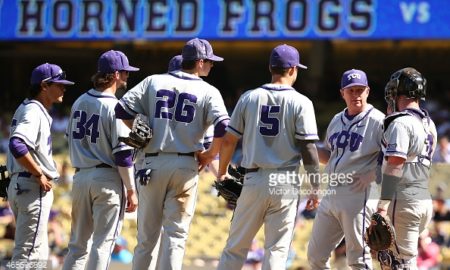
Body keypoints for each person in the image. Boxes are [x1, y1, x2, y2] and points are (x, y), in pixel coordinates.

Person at [114, 38, 229, 270]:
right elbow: (224, 126)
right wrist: (210, 154)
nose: (211, 65)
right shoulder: (209, 91)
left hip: (151, 163)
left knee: (146, 239)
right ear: (199, 62)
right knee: (175, 237)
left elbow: (121, 109)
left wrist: (140, 127)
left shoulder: (153, 81)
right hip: (185, 165)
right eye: (208, 61)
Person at [216, 44, 320, 270]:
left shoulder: (249, 97)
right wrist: (315, 185)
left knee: (235, 248)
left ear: (270, 67)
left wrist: (222, 171)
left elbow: (228, 140)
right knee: (277, 251)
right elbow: (309, 149)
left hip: (253, 179)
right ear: (293, 69)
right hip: (285, 182)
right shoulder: (302, 102)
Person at [62, 50, 139, 270]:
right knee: (102, 244)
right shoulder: (114, 107)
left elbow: (70, 138)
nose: (127, 76)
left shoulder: (78, 101)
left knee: (77, 245)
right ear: (115, 74)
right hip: (106, 178)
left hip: (80, 177)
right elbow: (123, 154)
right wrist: (131, 190)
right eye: (124, 72)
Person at [307, 69, 385, 269]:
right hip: (331, 193)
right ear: (342, 93)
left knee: (358, 259)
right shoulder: (335, 120)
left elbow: (395, 158)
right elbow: (328, 155)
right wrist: (307, 149)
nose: (356, 95)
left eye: (360, 90)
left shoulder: (379, 121)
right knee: (315, 256)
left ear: (367, 91)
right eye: (351, 90)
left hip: (357, 195)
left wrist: (375, 173)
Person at [6, 63, 74, 266]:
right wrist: (38, 174)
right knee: (28, 254)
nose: (64, 88)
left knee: (38, 253)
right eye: (59, 84)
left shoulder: (28, 108)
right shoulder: (34, 110)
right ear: (44, 85)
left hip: (22, 184)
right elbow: (17, 145)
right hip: (31, 185)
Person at [375, 67, 437, 269]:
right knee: (404, 260)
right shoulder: (429, 124)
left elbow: (395, 164)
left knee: (397, 263)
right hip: (423, 200)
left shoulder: (401, 123)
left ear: (396, 92)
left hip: (402, 200)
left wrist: (382, 206)